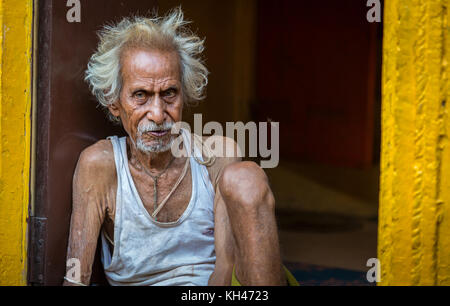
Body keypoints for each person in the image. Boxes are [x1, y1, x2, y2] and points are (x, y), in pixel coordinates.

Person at [63, 8, 293, 286]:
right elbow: (77, 279)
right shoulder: (100, 165)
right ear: (114, 103)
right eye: (141, 96)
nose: (158, 114)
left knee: (246, 177)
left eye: (169, 93)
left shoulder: (217, 156)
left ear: (185, 94)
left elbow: (224, 275)